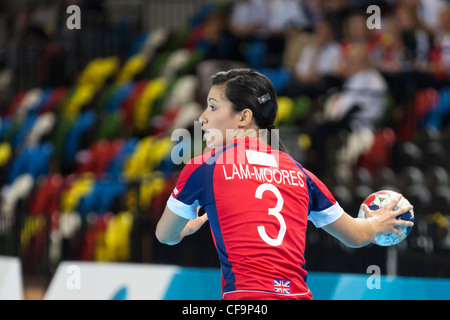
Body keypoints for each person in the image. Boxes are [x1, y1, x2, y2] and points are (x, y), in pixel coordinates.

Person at [155, 68, 413, 300]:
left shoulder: (204, 167)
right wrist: (376, 223)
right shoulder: (301, 174)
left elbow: (164, 235)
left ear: (244, 117)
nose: (202, 117)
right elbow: (356, 236)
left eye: (212, 107)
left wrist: (185, 228)